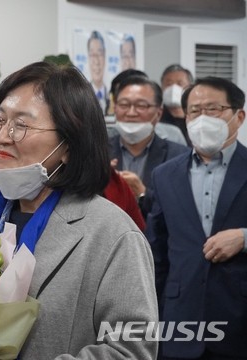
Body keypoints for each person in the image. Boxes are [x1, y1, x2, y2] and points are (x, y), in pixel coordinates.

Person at [0, 61, 158, 358]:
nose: (1, 136)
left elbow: (132, 348)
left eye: (21, 124)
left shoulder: (112, 233)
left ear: (68, 145)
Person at [147, 76, 247, 360]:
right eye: (194, 111)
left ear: (239, 116)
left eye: (213, 109)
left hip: (238, 320)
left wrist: (244, 237)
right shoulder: (165, 175)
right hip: (180, 321)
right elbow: (157, 254)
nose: (203, 118)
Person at [109, 75, 189, 218]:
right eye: (124, 105)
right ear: (115, 109)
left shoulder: (180, 157)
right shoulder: (96, 152)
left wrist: (142, 193)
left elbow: (181, 211)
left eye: (141, 106)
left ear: (158, 113)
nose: (131, 113)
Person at [160, 64, 194, 146]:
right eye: (169, 84)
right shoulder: (156, 118)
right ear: (162, 87)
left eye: (180, 83)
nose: (174, 88)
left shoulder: (196, 117)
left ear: (189, 88)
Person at [88, 30, 108, 114]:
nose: (96, 61)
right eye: (92, 54)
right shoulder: (81, 97)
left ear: (105, 56)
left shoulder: (112, 96)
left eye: (99, 54)